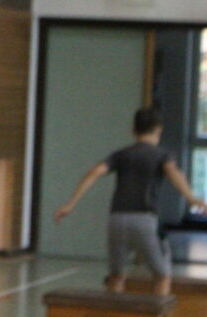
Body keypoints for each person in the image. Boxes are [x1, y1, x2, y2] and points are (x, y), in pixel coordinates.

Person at [55, 106, 206, 296]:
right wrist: (192, 198)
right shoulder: (162, 155)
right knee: (162, 276)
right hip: (145, 220)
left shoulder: (121, 155)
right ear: (159, 130)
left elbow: (95, 172)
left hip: (116, 220)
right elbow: (173, 172)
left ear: (133, 130)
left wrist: (70, 204)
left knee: (117, 276)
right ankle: (157, 314)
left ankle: (112, 313)